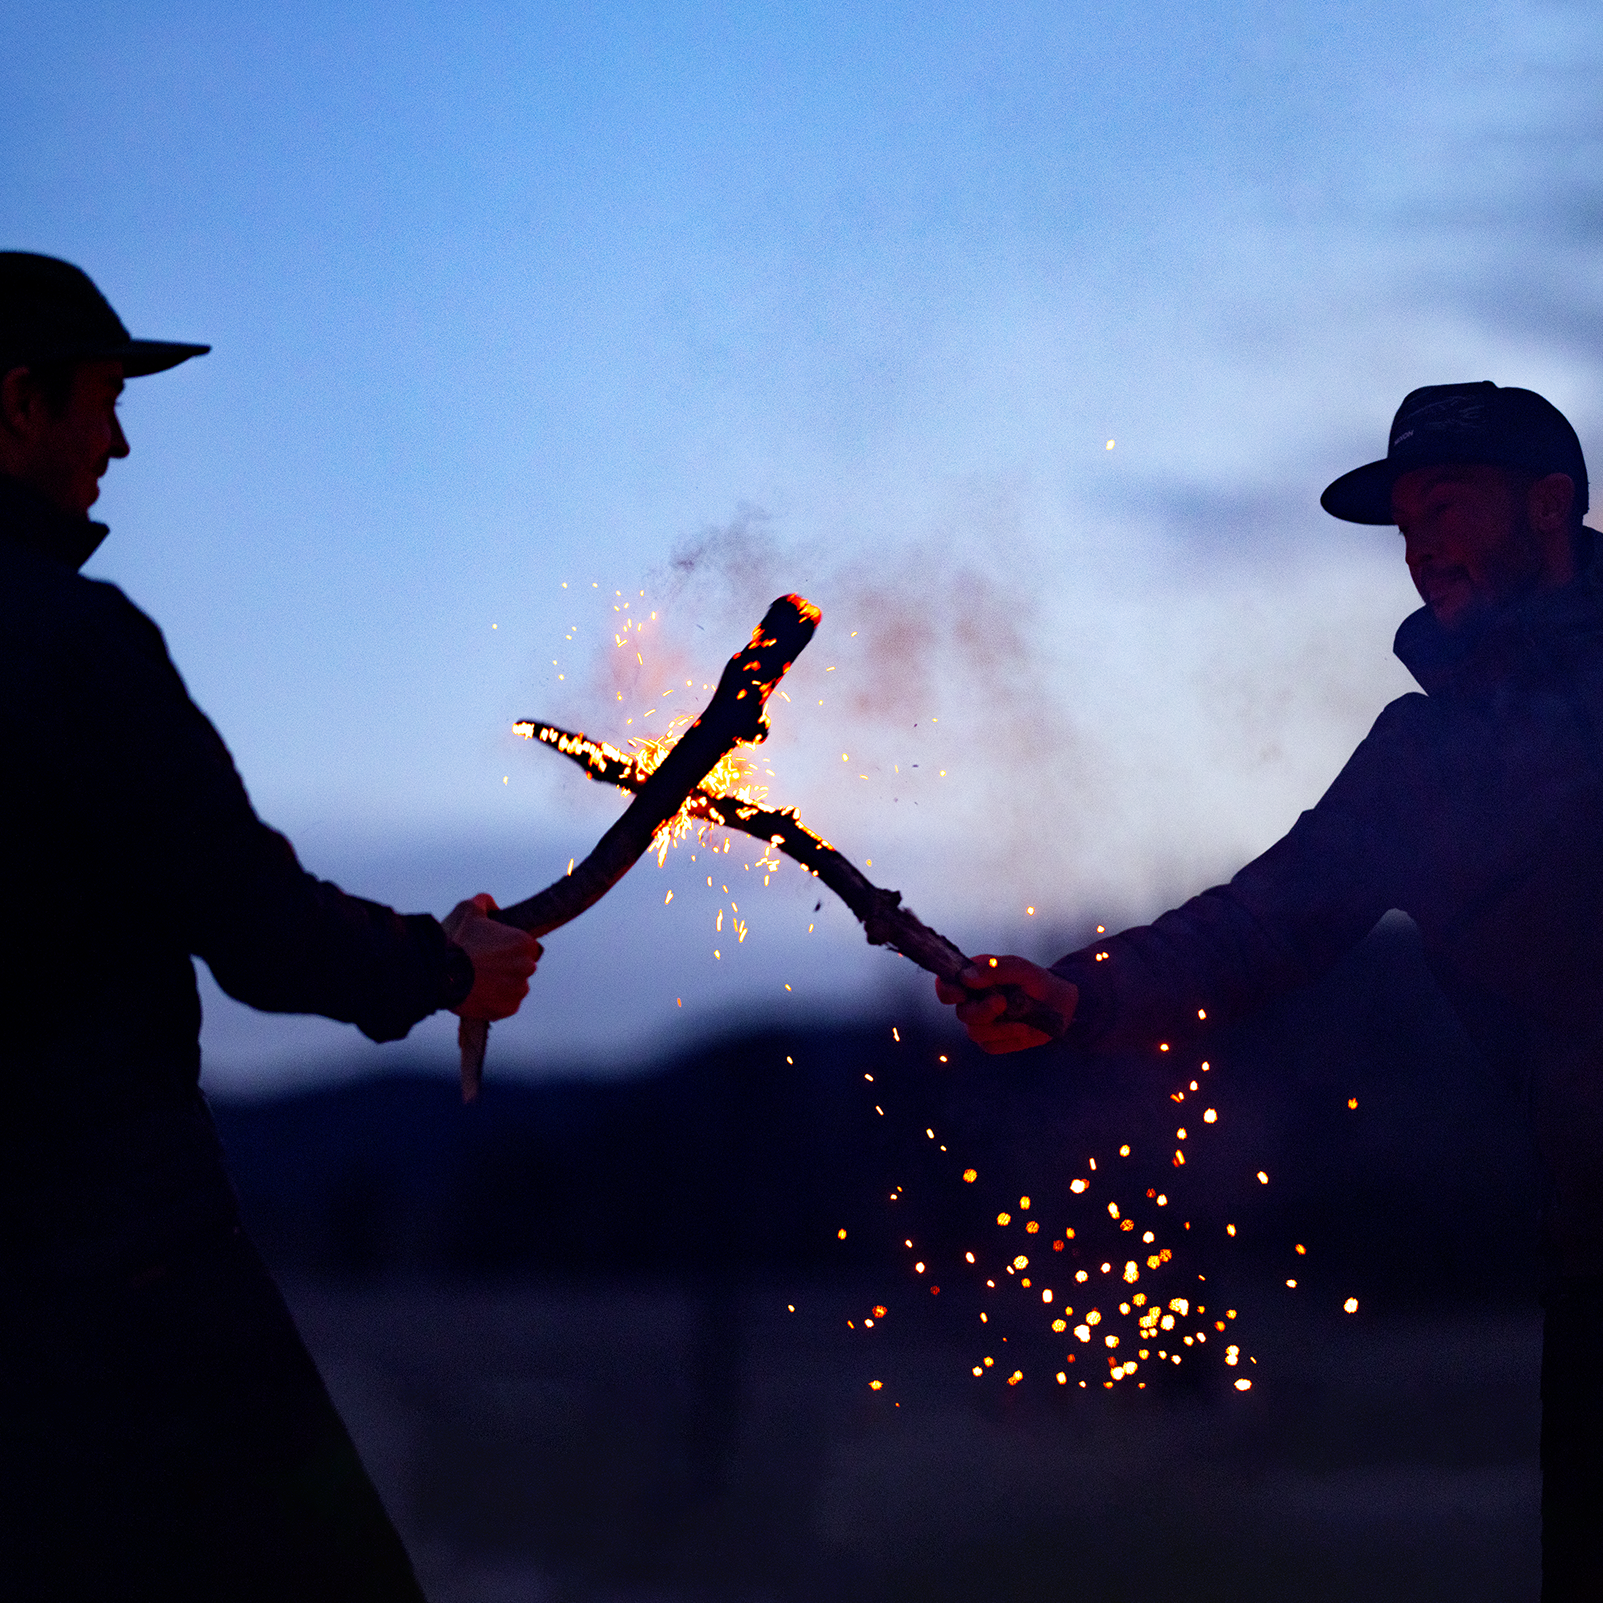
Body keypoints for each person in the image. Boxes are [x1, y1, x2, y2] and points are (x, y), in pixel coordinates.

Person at [938, 378, 1601, 1600]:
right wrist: (1079, 997)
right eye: (1401, 523)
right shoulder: (1426, 759)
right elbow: (1260, 924)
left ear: (1548, 507)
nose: (1417, 549)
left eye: (1443, 507)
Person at [0, 253, 542, 1600]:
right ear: (19, 402)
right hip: (111, 1267)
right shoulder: (65, 642)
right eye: (102, 400)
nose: (118, 437)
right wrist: (439, 961)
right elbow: (252, 919)